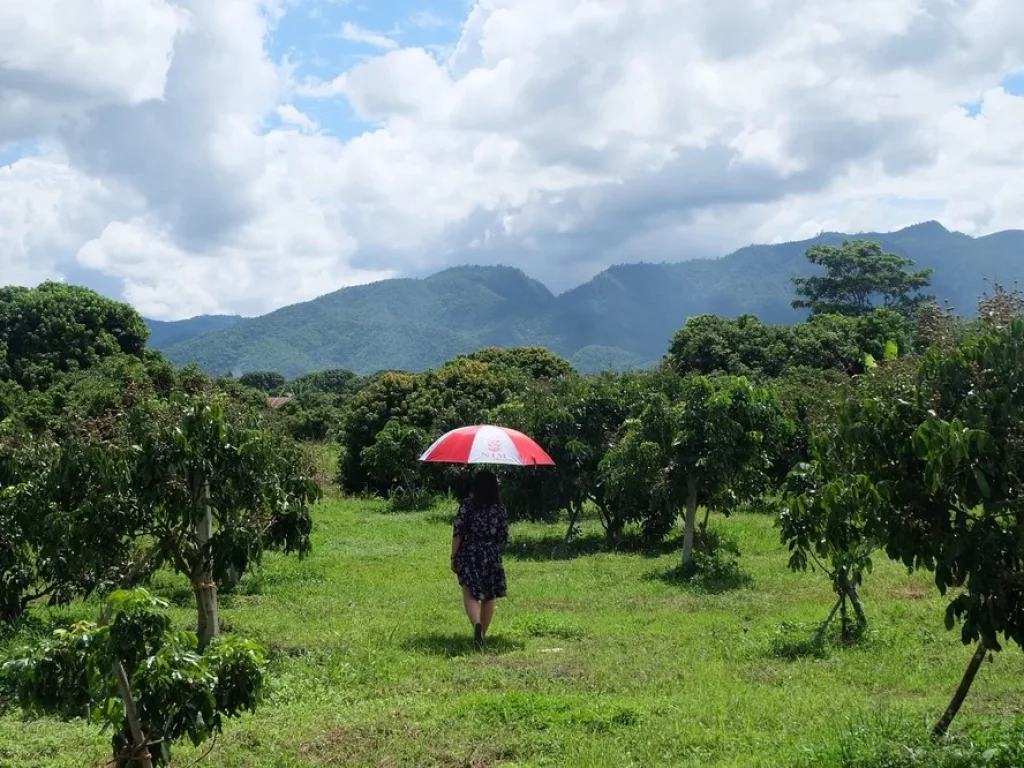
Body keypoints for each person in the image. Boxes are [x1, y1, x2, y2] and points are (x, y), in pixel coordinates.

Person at [450, 470, 509, 649]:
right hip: (491, 553)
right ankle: (482, 633)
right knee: (489, 596)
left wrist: (453, 556)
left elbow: (458, 532)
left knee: (469, 592)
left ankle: (476, 624)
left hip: (470, 551)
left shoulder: (467, 505)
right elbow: (503, 536)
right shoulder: (499, 508)